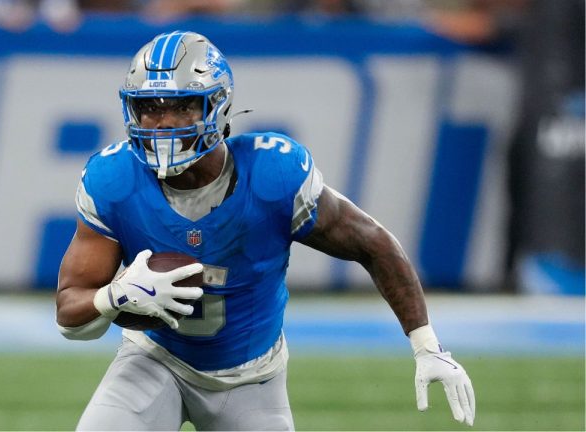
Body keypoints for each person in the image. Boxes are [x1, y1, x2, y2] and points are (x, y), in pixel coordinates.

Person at [55, 30, 475, 430]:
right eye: (150, 107)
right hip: (153, 359)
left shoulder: (273, 175)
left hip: (251, 379)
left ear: (216, 106)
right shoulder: (114, 179)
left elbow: (373, 245)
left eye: (181, 106)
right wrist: (115, 297)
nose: (162, 123)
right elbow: (70, 316)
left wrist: (427, 345)